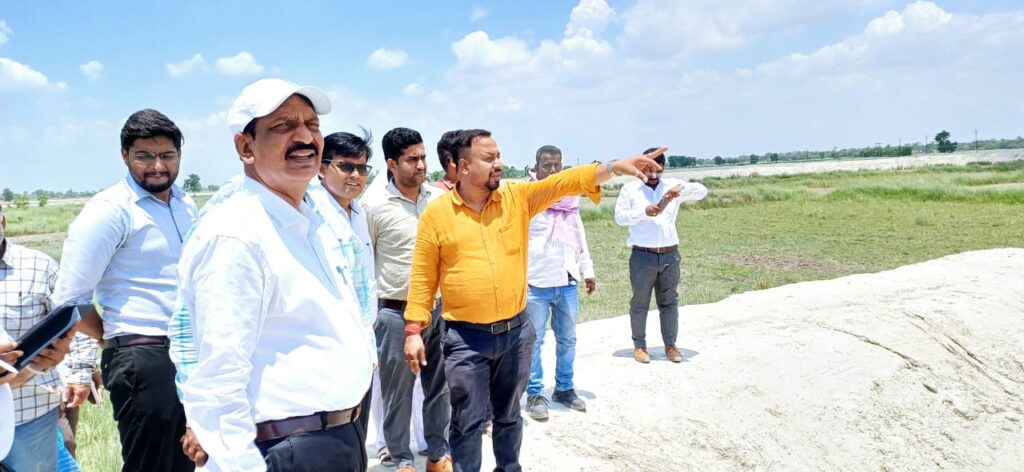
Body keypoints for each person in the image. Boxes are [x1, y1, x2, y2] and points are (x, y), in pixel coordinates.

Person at [404, 129, 663, 472]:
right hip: (466, 339)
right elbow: (423, 276)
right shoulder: (437, 215)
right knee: (466, 422)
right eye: (489, 158)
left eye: (499, 156)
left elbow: (564, 182)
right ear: (463, 167)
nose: (499, 164)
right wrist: (413, 329)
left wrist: (613, 167)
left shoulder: (517, 197)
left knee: (510, 416)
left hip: (515, 335)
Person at [176, 78, 374, 471]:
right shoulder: (238, 234)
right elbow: (219, 380)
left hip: (336, 437)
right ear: (245, 147)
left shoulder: (310, 223)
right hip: (287, 447)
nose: (305, 138)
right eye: (284, 126)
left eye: (312, 125)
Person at [50, 108, 197, 471]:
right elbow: (69, 300)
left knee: (188, 461)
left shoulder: (185, 203)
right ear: (124, 155)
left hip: (189, 353)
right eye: (144, 156)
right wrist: (114, 337)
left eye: (167, 155)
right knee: (151, 464)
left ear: (180, 154)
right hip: (143, 357)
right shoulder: (110, 211)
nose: (157, 166)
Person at [363, 127, 452, 472]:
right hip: (395, 314)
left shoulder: (439, 200)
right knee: (397, 392)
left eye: (423, 157)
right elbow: (366, 265)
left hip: (437, 310)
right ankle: (401, 457)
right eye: (412, 159)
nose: (421, 165)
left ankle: (437, 453)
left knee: (439, 388)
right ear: (392, 164)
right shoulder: (373, 207)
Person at [304, 129, 388, 461]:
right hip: (325, 346)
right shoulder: (309, 212)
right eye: (346, 166)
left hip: (360, 343)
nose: (355, 175)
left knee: (356, 436)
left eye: (362, 168)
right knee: (327, 442)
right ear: (321, 168)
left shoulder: (358, 212)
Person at [0, 201, 83, 472]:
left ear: (3, 222)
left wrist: (80, 372)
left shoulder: (39, 266)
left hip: (30, 411)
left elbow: (74, 317)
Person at [613, 148, 708, 364]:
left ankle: (671, 346)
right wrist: (643, 212)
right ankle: (639, 346)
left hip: (670, 255)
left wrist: (681, 189)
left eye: (658, 170)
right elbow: (620, 218)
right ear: (640, 167)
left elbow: (702, 191)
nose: (653, 175)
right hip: (642, 256)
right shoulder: (630, 189)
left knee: (669, 302)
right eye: (648, 170)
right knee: (640, 303)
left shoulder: (671, 185)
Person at [523, 145, 597, 422]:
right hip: (535, 282)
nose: (553, 170)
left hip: (566, 280)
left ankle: (564, 388)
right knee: (534, 342)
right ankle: (535, 394)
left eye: (557, 165)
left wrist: (587, 270)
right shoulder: (528, 197)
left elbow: (579, 237)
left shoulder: (570, 198)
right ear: (536, 168)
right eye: (547, 166)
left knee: (568, 339)